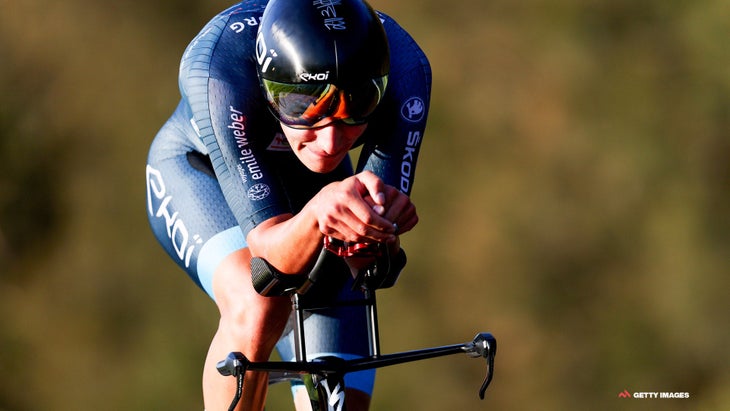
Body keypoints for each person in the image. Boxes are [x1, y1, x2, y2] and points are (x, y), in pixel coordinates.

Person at [145, 0, 430, 409]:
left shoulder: (404, 70)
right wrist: (317, 214)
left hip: (322, 191)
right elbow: (270, 264)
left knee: (341, 388)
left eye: (357, 108)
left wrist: (376, 240)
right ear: (268, 87)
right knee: (258, 302)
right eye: (303, 108)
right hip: (201, 173)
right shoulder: (219, 67)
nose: (332, 142)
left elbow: (370, 268)